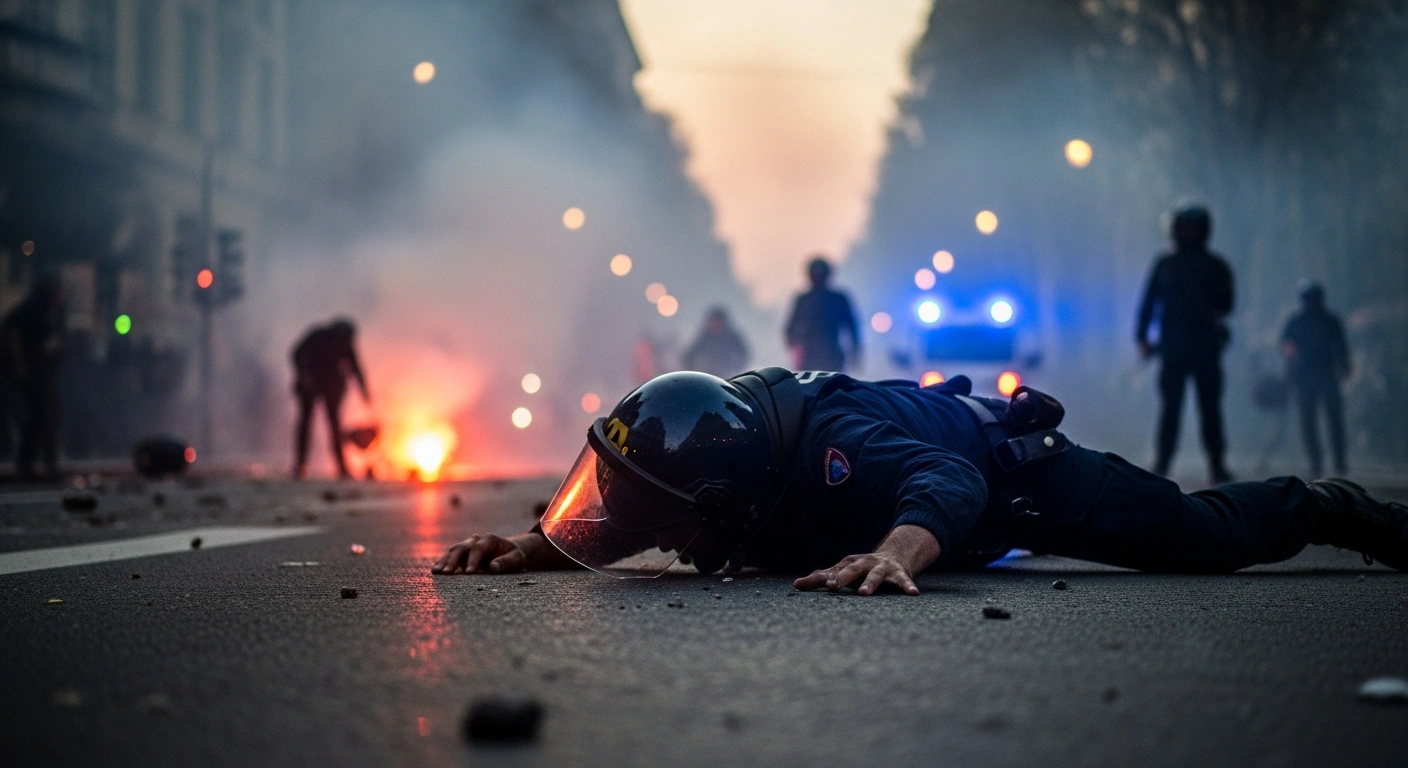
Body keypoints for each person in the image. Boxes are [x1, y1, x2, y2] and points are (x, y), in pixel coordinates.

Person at [432, 368, 1407, 590]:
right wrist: (540, 545)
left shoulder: (828, 442)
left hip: (1016, 481)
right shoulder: (736, 462)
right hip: (915, 503)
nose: (669, 542)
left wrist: (895, 551)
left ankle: (1329, 506)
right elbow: (651, 507)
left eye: (682, 527)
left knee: (1200, 542)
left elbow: (946, 480)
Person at [1135, 204, 1235, 483]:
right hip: (1175, 348)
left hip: (1204, 348)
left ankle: (1216, 464)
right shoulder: (1165, 264)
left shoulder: (1215, 266)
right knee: (1171, 409)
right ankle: (1164, 462)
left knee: (1210, 409)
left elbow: (1226, 305)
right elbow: (1149, 302)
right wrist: (1142, 337)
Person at [1281, 282, 1351, 477]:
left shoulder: (1327, 321)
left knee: (1331, 420)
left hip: (1324, 374)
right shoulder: (1300, 322)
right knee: (1311, 421)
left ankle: (1337, 460)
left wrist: (1344, 367)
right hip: (1308, 377)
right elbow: (1288, 350)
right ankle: (1319, 461)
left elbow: (1341, 347)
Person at [0, 277, 64, 479]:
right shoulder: (33, 308)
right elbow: (13, 331)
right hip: (32, 372)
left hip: (41, 372)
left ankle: (45, 463)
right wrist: (19, 364)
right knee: (39, 415)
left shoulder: (46, 311)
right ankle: (27, 464)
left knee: (44, 416)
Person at [291, 318, 370, 479]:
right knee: (306, 424)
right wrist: (303, 375)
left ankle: (341, 467)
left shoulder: (345, 344)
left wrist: (364, 392)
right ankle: (300, 465)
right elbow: (296, 354)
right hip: (311, 383)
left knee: (334, 426)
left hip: (331, 386)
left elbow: (355, 368)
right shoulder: (318, 337)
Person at [785, 257, 860, 372]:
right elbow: (790, 330)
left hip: (828, 356)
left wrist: (855, 353)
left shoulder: (807, 300)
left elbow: (852, 328)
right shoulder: (835, 299)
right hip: (814, 356)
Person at [681, 307, 749, 378]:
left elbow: (743, 354)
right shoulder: (705, 337)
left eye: (716, 321)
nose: (714, 324)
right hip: (708, 375)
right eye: (712, 321)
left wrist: (736, 369)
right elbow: (690, 354)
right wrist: (692, 370)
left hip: (728, 375)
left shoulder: (733, 338)